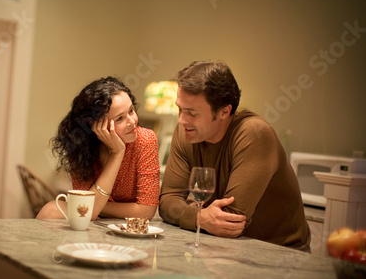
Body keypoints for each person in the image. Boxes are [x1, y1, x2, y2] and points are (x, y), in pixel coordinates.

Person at [159, 61, 311, 251]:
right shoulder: (186, 131)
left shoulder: (254, 133)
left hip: (281, 255)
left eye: (191, 113)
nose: (181, 120)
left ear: (224, 111)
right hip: (221, 249)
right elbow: (167, 203)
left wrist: (190, 212)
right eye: (180, 109)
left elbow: (231, 221)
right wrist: (199, 217)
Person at [37, 76, 160, 220]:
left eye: (131, 111)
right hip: (90, 223)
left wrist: (96, 204)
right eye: (120, 118)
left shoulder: (146, 140)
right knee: (51, 210)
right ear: (96, 126)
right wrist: (117, 152)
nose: (132, 122)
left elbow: (146, 212)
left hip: (128, 226)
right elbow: (86, 213)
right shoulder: (80, 146)